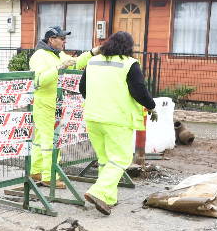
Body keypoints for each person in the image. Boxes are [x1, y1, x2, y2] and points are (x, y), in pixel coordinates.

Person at [79, 31, 157, 215]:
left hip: (92, 117)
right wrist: (151, 106)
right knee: (120, 158)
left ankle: (108, 198)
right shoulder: (129, 64)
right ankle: (98, 191)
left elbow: (82, 88)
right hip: (117, 120)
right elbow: (139, 90)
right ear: (129, 47)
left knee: (105, 159)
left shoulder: (93, 61)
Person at [29, 26, 96, 188]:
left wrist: (92, 53)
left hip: (54, 104)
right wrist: (59, 68)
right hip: (44, 104)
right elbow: (38, 81)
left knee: (40, 140)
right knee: (49, 140)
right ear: (51, 40)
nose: (64, 41)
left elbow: (75, 63)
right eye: (61, 38)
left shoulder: (57, 55)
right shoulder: (39, 56)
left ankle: (36, 171)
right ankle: (49, 176)